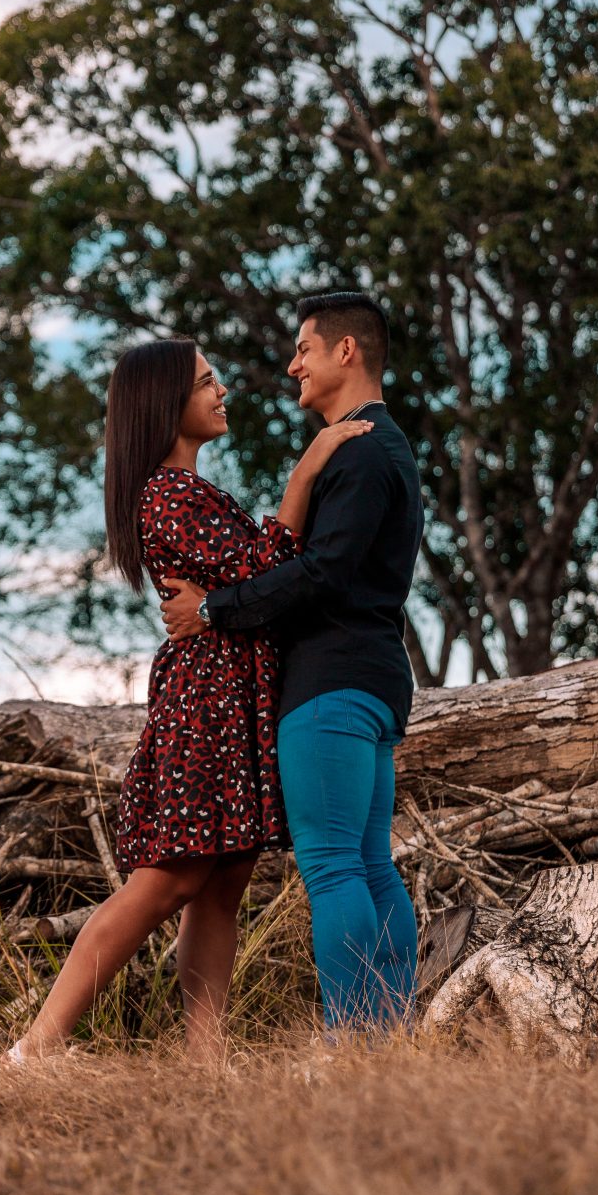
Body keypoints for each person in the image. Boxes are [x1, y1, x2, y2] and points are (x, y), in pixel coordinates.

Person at [7, 337, 373, 1064]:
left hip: (235, 700)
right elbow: (273, 568)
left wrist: (225, 601)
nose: (222, 392)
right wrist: (308, 469)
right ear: (165, 405)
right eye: (207, 383)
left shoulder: (196, 493)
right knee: (170, 877)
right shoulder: (167, 496)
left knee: (223, 880)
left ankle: (205, 1062)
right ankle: (36, 1048)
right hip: (205, 704)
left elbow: (249, 587)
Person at [161, 292, 424, 1031]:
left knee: (336, 866)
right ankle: (390, 1037)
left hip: (332, 685)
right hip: (373, 678)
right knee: (371, 865)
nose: (292, 365)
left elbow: (323, 573)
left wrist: (212, 609)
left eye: (304, 348)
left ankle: (353, 1039)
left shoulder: (361, 450)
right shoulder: (382, 445)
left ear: (347, 352)